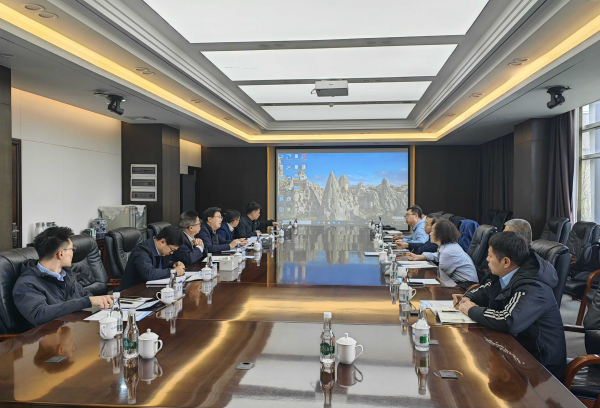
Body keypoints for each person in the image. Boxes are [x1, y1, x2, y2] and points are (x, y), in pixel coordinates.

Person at [454, 231, 566, 379]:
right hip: (515, 346)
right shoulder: (505, 275)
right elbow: (485, 291)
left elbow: (509, 320)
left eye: (490, 256)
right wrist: (467, 298)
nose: (487, 259)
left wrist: (472, 310)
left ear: (506, 262)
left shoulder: (533, 286)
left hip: (539, 365)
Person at [12, 226, 114, 328]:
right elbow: (39, 314)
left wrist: (95, 300)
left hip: (71, 328)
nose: (73, 253)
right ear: (60, 254)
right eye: (72, 249)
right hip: (47, 335)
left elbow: (84, 295)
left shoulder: (66, 274)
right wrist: (87, 301)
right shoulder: (26, 284)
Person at [407, 219, 479, 290]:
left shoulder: (447, 252)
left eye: (432, 231)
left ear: (440, 234)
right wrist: (420, 257)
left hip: (465, 287)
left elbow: (440, 279)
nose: (430, 234)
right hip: (459, 283)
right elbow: (437, 256)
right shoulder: (448, 246)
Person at [119, 226, 185, 290]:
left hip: (150, 290)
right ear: (162, 242)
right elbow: (148, 273)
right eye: (172, 250)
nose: (172, 253)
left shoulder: (161, 251)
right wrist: (174, 272)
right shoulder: (141, 250)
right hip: (132, 293)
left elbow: (162, 265)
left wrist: (173, 264)